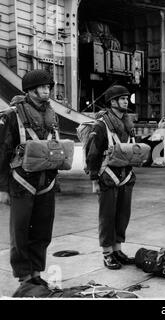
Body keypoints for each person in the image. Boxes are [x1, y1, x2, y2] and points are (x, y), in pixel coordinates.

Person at [0, 69, 61, 287]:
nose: (47, 90)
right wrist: (3, 188)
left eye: (48, 87)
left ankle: (36, 272)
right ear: (30, 90)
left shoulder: (52, 114)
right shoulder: (11, 115)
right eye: (42, 87)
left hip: (47, 182)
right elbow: (2, 152)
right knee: (21, 232)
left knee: (43, 232)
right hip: (21, 181)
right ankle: (24, 277)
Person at [85, 85, 136, 269]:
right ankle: (107, 253)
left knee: (123, 215)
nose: (125, 101)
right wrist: (93, 180)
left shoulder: (128, 123)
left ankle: (117, 249)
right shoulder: (101, 125)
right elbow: (92, 153)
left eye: (126, 98)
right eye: (122, 98)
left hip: (125, 175)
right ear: (112, 102)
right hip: (107, 176)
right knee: (107, 216)